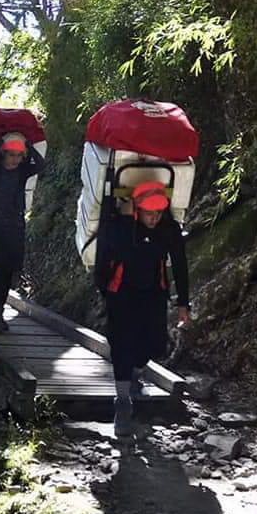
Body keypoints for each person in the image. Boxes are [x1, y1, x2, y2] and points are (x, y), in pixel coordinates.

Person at [94, 180, 190, 436]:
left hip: (153, 294)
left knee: (156, 344)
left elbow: (180, 263)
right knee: (122, 346)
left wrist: (183, 302)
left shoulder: (167, 229)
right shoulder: (119, 227)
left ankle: (135, 373)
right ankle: (122, 404)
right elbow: (109, 256)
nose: (154, 218)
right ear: (136, 210)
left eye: (158, 213)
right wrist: (104, 292)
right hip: (121, 293)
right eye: (149, 213)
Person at [0, 131, 45, 332]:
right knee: (0, 267)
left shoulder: (22, 171)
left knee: (11, 268)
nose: (15, 159)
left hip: (15, 224)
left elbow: (41, 165)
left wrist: (29, 145)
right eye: (11, 155)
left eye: (18, 156)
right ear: (3, 154)